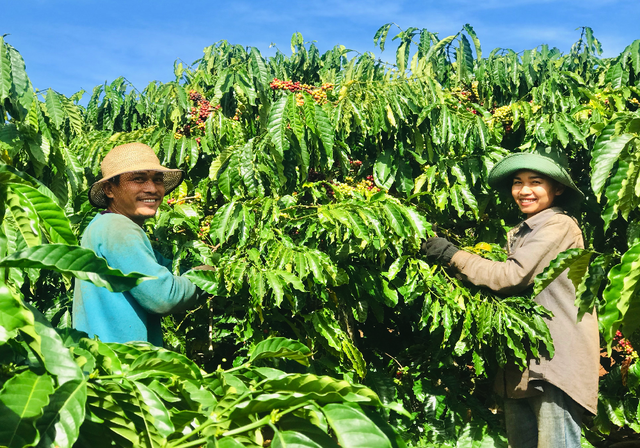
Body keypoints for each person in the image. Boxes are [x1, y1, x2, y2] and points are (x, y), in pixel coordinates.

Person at [422, 151, 599, 448]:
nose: (524, 190)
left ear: (558, 189)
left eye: (536, 182)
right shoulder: (522, 232)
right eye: (518, 182)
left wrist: (452, 255)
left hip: (553, 363)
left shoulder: (559, 225)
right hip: (521, 366)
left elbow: (509, 277)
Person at [73, 142, 205, 346]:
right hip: (122, 368)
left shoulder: (102, 225)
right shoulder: (118, 228)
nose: (152, 189)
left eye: (157, 180)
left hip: (101, 362)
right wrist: (205, 279)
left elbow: (166, 268)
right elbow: (163, 297)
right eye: (138, 179)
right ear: (109, 189)